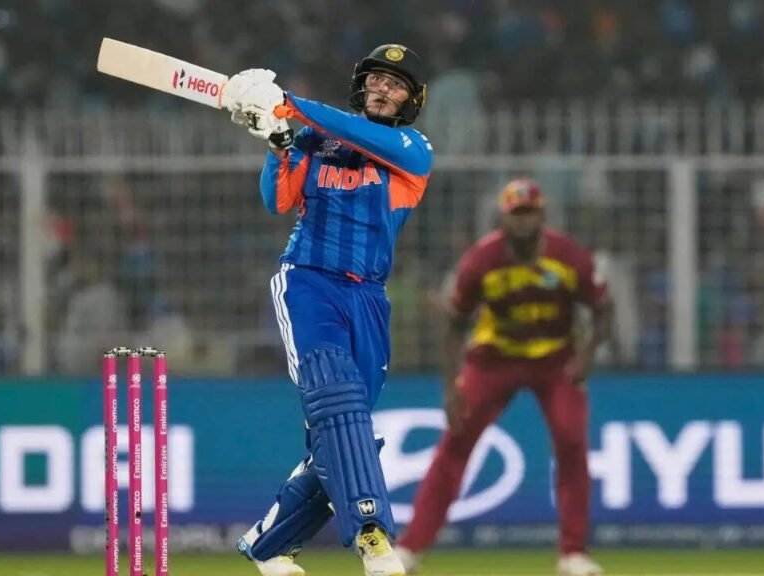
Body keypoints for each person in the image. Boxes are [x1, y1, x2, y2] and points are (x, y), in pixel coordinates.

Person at [221, 44, 433, 576]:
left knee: (342, 429)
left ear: (411, 100)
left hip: (369, 299)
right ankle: (372, 532)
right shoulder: (315, 141)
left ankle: (268, 545)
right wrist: (278, 144)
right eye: (376, 80)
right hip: (309, 283)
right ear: (361, 86)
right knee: (337, 400)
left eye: (395, 84)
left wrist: (288, 103)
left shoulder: (412, 149)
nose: (382, 89)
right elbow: (278, 201)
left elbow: (359, 135)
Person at [394, 179, 613, 576]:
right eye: (516, 215)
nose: (523, 222)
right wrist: (451, 387)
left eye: (529, 214)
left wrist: (586, 355)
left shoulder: (568, 257)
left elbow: (603, 307)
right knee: (455, 443)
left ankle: (573, 553)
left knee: (571, 442)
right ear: (503, 218)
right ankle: (409, 549)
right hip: (494, 359)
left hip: (555, 359)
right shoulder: (482, 260)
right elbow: (455, 323)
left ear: (542, 216)